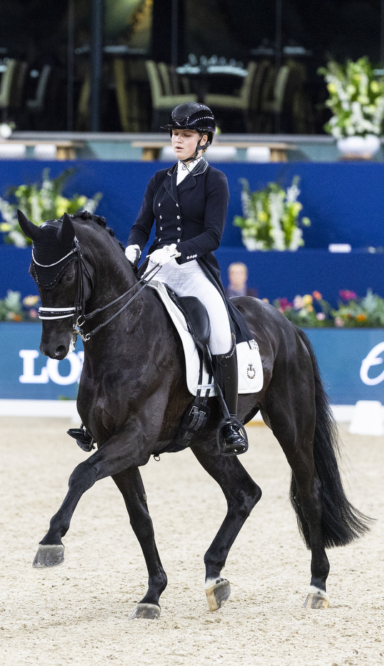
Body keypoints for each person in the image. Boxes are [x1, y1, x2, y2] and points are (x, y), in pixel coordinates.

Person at [125, 102, 250, 456]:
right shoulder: (159, 180)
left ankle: (229, 422)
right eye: (174, 134)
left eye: (186, 135)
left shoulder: (214, 180)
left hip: (193, 268)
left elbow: (213, 236)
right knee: (119, 317)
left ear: (203, 140)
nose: (177, 140)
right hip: (156, 268)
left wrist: (177, 251)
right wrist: (133, 248)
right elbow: (141, 225)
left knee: (221, 332)